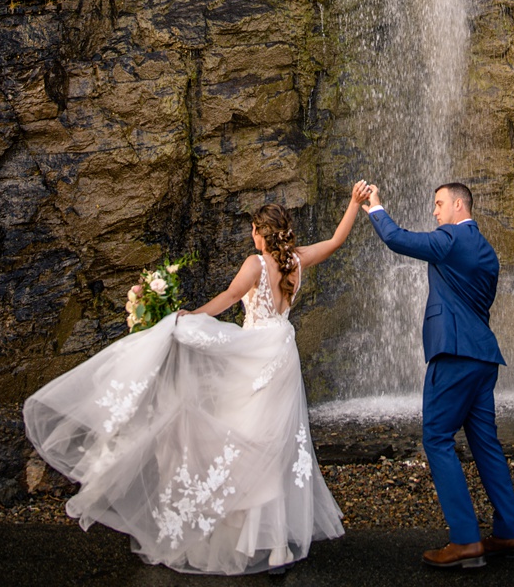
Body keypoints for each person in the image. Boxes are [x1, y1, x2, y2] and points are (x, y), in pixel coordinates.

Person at [23, 182, 372, 576]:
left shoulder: (255, 264)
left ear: (259, 233)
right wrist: (353, 203)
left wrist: (189, 318)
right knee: (273, 444)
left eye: (253, 231)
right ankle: (274, 547)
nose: (252, 236)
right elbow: (337, 240)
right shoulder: (297, 261)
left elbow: (225, 299)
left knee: (247, 441)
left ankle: (260, 537)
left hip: (255, 356)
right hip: (283, 353)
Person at [363, 180, 514, 569]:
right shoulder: (487, 251)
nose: (435, 212)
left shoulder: (450, 239)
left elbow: (397, 239)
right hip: (483, 356)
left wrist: (374, 206)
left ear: (458, 205)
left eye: (439, 204)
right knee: (486, 444)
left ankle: (466, 541)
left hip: (453, 354)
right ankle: (510, 532)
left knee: (436, 438)